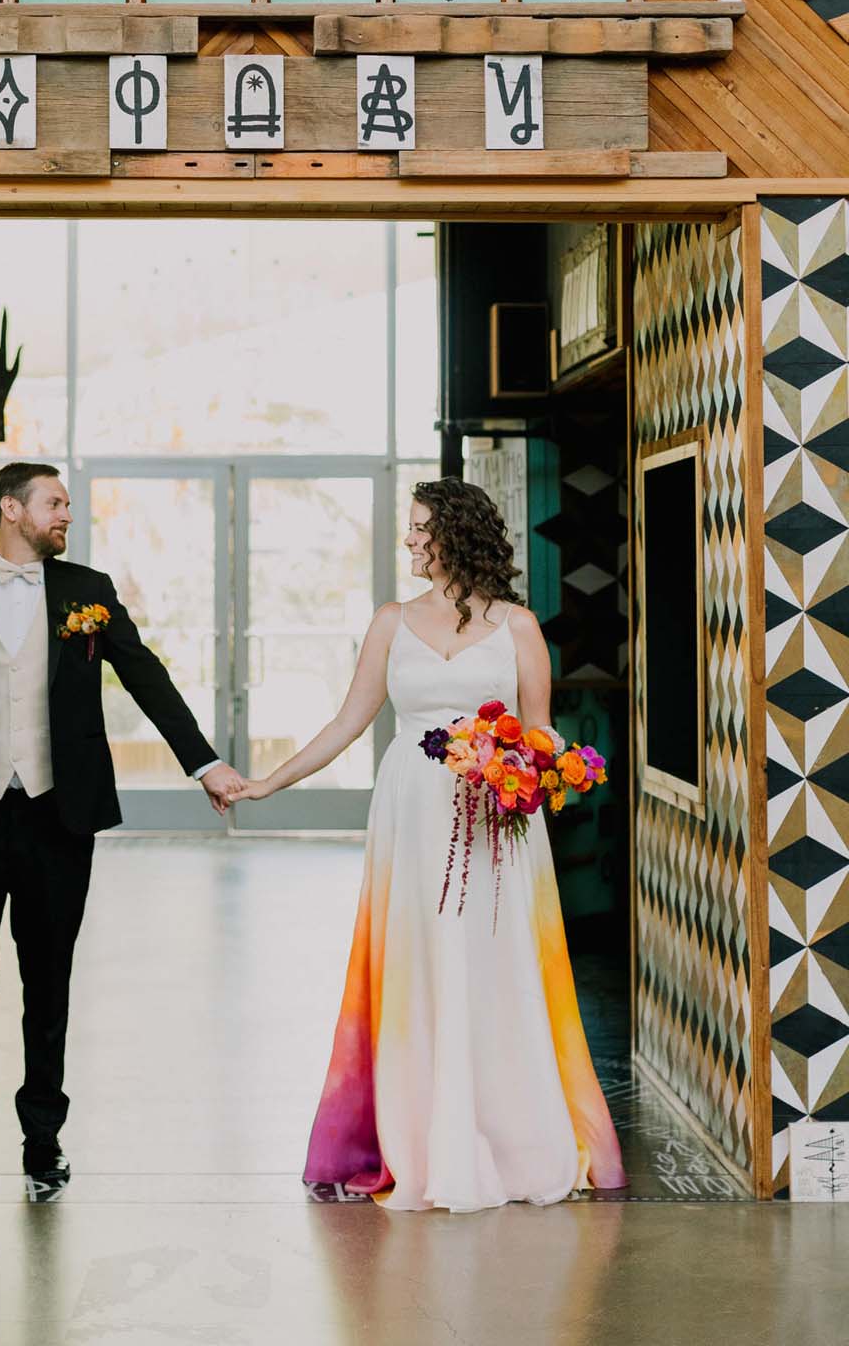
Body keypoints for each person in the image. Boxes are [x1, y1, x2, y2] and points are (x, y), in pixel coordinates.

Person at [229, 476, 626, 1210]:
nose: (410, 540)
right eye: (409, 529)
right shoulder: (390, 621)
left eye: (420, 528)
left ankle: (510, 1135)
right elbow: (348, 722)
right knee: (418, 965)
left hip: (496, 823)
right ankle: (419, 1135)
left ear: (458, 532)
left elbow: (541, 734)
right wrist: (268, 783)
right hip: (412, 818)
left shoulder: (519, 627)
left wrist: (534, 770)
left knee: (497, 966)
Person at [0, 462, 245, 1186]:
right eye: (54, 503)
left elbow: (145, 675)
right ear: (11, 509)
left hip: (60, 815)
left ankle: (42, 1135)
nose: (67, 515)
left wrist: (203, 762)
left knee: (48, 978)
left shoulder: (89, 591)